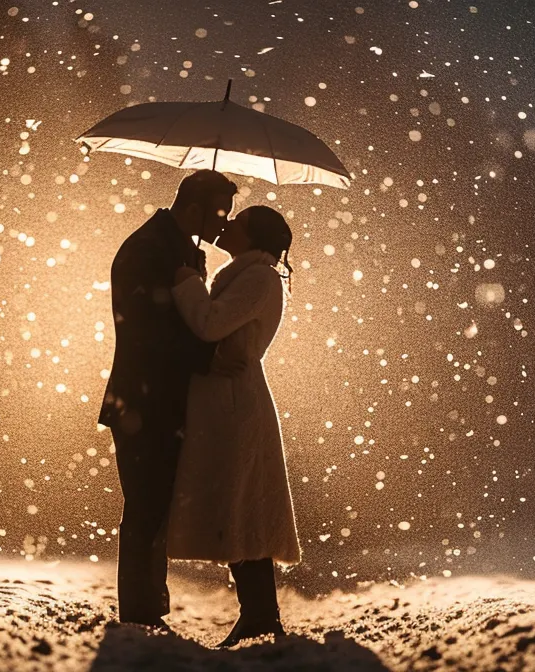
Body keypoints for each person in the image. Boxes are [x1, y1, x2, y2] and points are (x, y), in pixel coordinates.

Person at [97, 169, 240, 632]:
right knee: (145, 504)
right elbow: (151, 331)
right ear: (194, 209)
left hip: (154, 399)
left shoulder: (172, 247)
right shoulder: (149, 249)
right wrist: (208, 356)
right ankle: (140, 611)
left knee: (154, 504)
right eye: (220, 213)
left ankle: (146, 607)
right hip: (143, 399)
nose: (224, 226)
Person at [167, 205, 301, 648]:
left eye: (237, 222)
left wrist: (188, 281)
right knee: (241, 508)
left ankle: (261, 616)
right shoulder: (245, 275)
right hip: (225, 403)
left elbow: (210, 325)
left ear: (254, 236)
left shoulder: (259, 278)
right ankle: (259, 615)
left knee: (242, 507)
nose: (225, 225)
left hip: (235, 406)